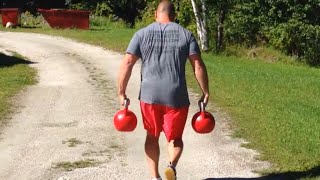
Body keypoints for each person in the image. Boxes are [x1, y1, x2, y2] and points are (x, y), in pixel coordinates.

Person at [117, 1, 209, 179]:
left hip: (149, 96)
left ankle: (155, 177)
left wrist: (122, 92)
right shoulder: (186, 35)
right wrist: (205, 92)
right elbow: (197, 65)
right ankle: (171, 166)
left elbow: (127, 63)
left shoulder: (141, 34)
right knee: (174, 138)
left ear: (155, 14)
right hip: (176, 96)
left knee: (152, 136)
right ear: (174, 16)